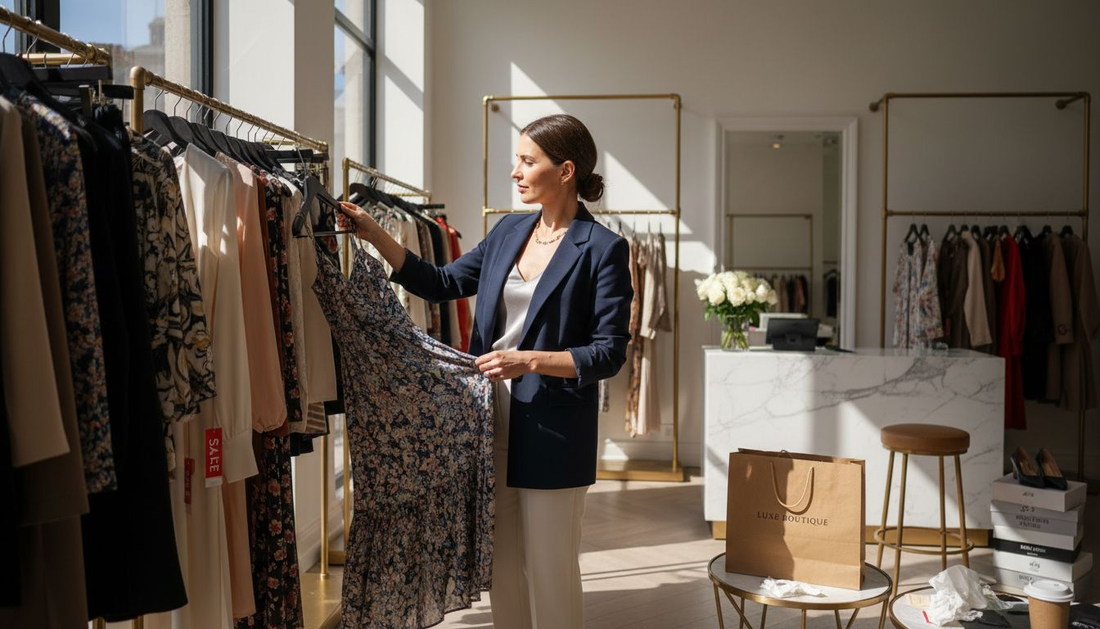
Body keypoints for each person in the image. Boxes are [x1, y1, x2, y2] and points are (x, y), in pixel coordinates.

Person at [337, 113, 632, 628]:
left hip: (554, 427)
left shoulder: (603, 249)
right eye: (516, 160)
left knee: (550, 568)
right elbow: (440, 281)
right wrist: (374, 234)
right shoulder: (509, 231)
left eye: (527, 161)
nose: (515, 172)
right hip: (485, 418)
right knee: (502, 566)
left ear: (565, 171)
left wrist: (529, 360)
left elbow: (608, 352)